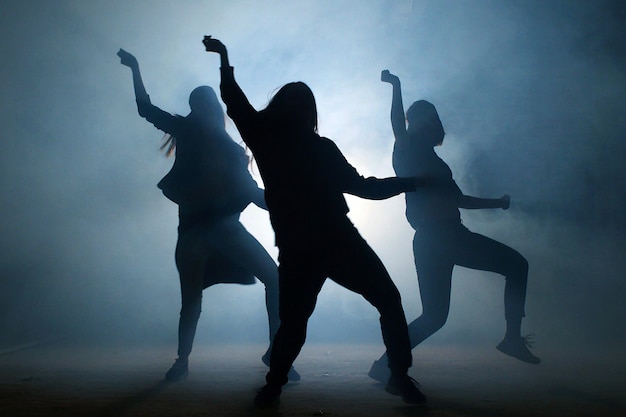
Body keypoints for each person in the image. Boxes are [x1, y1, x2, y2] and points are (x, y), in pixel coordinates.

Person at [203, 36, 428, 407]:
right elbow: (235, 102)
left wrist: (409, 183)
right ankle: (280, 384)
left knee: (372, 303)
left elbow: (360, 186)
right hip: (316, 243)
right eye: (294, 99)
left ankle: (393, 377)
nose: (297, 106)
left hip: (325, 240)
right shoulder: (273, 139)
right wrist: (225, 59)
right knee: (305, 320)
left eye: (300, 100)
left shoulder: (301, 144)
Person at [118, 48, 299, 382]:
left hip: (224, 229)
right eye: (198, 104)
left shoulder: (232, 151)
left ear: (214, 109)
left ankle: (276, 351)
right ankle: (182, 361)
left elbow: (256, 196)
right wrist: (135, 67)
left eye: (207, 103)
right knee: (192, 301)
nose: (204, 108)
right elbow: (145, 108)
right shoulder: (190, 133)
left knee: (272, 279)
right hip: (196, 232)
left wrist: (291, 202)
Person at [368, 69, 540, 383]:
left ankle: (384, 365)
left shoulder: (432, 160)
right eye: (419, 119)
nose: (427, 123)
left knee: (434, 317)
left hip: (438, 239)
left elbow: (459, 200)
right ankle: (511, 338)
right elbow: (397, 124)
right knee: (515, 266)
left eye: (428, 118)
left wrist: (497, 203)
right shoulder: (407, 151)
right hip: (442, 237)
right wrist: (396, 87)